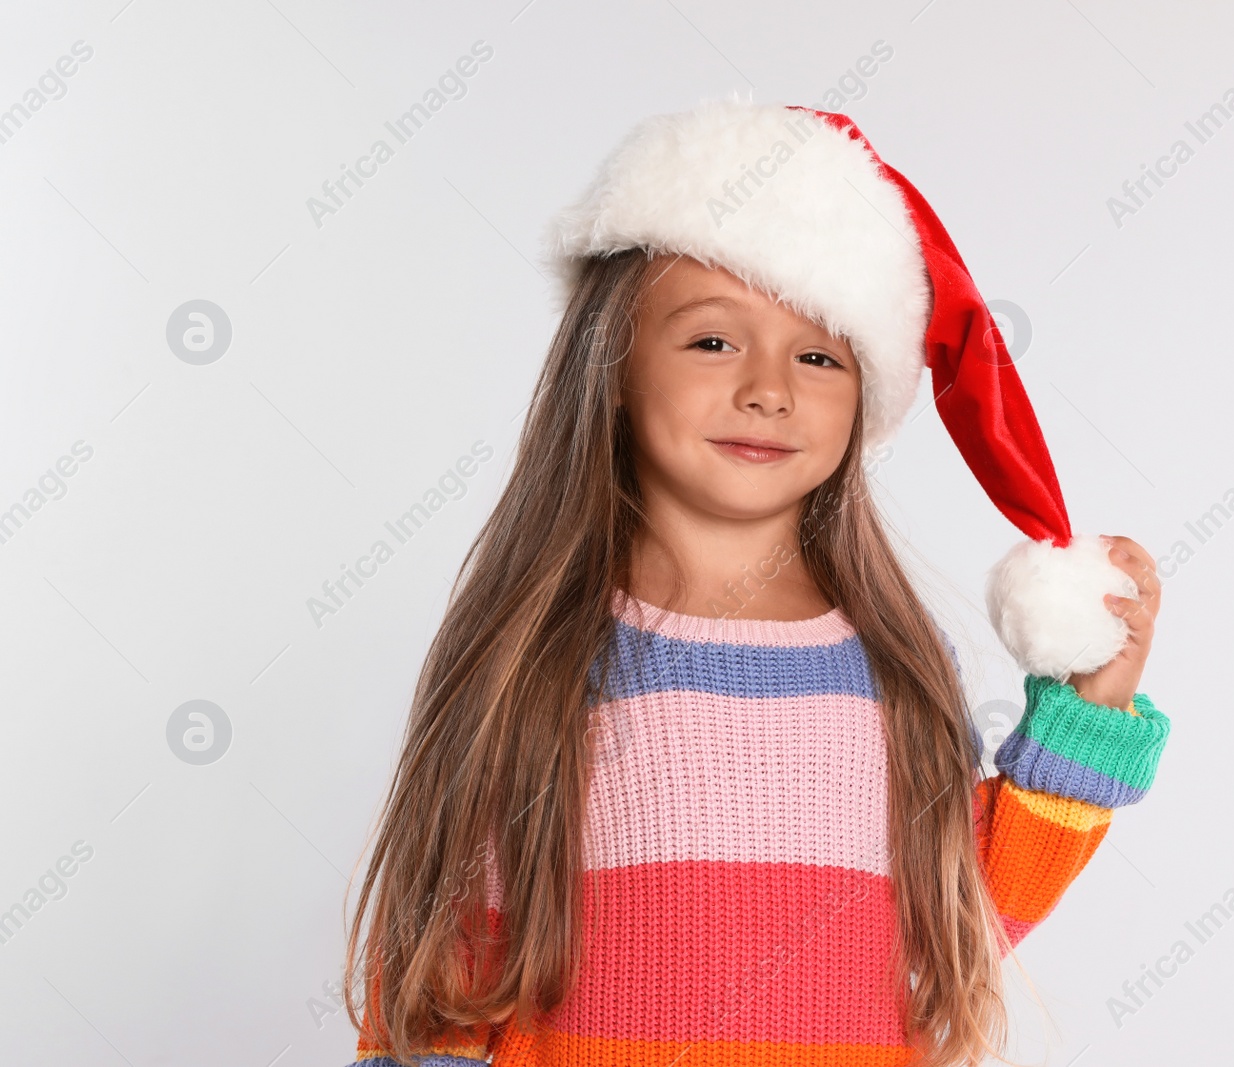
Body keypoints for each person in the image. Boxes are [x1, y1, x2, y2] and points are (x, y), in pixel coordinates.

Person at [342, 97, 1172, 1067]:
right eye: (712, 340)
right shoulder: (539, 652)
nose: (768, 388)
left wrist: (1090, 714)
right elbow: (450, 976)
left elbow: (954, 923)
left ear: (864, 395)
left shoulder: (894, 659)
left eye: (818, 355)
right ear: (608, 362)